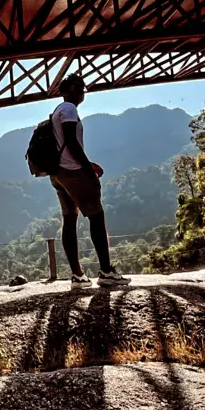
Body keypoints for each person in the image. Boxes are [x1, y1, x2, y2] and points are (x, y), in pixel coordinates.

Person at [50, 74, 131, 290]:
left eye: (82, 89)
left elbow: (64, 143)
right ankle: (106, 272)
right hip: (73, 171)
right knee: (96, 216)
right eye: (77, 88)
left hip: (58, 173)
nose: (81, 92)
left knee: (69, 218)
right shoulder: (68, 109)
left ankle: (77, 276)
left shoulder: (56, 111)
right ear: (66, 91)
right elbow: (71, 141)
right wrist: (88, 168)